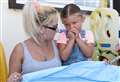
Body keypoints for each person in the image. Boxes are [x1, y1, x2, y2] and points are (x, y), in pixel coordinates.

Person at [7, 1, 61, 82]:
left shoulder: (57, 45)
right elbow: (11, 79)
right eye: (54, 27)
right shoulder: (20, 50)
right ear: (41, 29)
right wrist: (13, 79)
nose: (57, 31)